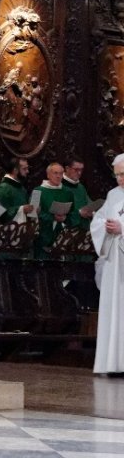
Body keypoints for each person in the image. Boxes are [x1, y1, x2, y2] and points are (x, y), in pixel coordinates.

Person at [90, 154, 124, 374]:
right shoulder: (112, 195)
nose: (120, 178)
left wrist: (122, 229)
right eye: (118, 174)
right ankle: (112, 363)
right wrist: (105, 225)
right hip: (114, 260)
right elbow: (98, 220)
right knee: (113, 309)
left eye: (123, 174)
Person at [35, 161, 71, 254]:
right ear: (48, 175)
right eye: (55, 173)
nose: (59, 176)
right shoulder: (37, 191)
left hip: (62, 238)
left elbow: (72, 212)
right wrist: (52, 217)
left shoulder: (68, 192)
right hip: (42, 236)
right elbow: (32, 214)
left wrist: (65, 218)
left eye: (61, 173)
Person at [0, 157, 35, 222]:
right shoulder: (3, 188)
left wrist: (32, 210)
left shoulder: (21, 188)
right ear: (15, 171)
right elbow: (0, 215)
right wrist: (22, 209)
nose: (27, 171)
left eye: (27, 168)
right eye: (24, 169)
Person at [63, 159, 93, 230]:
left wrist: (93, 211)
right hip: (66, 232)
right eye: (76, 170)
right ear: (67, 169)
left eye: (81, 170)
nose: (79, 173)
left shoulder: (80, 186)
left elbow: (88, 202)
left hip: (84, 229)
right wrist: (79, 213)